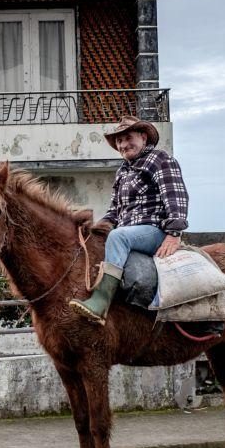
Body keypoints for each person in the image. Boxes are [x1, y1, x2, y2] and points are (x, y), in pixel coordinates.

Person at [69, 115, 189, 325]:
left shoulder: (159, 159)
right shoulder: (123, 171)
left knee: (118, 236)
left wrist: (174, 234)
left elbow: (176, 196)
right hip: (128, 233)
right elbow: (115, 210)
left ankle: (101, 302)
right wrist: (94, 230)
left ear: (143, 137)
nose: (124, 144)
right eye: (119, 141)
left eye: (128, 138)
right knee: (107, 238)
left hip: (153, 230)